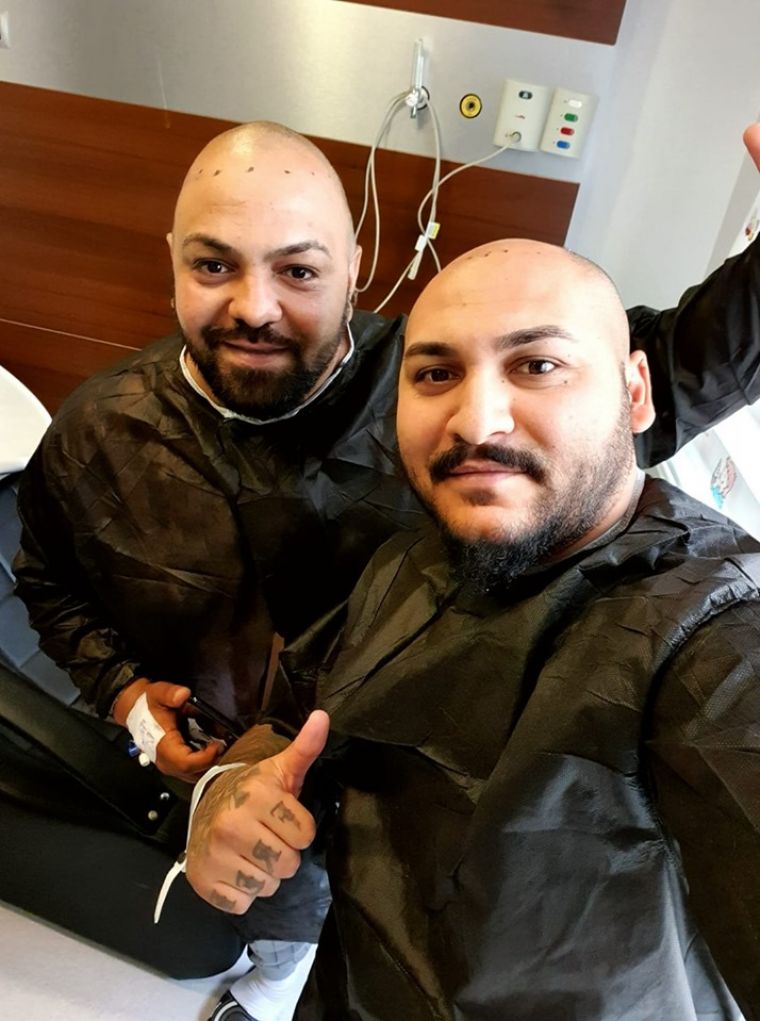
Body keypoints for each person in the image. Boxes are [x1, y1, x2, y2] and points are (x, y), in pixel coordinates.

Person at [12, 121, 760, 1018]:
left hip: (444, 841)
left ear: (355, 270)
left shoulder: (443, 396)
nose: (254, 307)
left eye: (298, 270)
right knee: (278, 932)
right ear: (171, 261)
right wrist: (132, 700)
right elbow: (46, 581)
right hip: (253, 795)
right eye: (213, 265)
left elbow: (690, 355)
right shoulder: (97, 433)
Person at [186, 238, 760, 1021]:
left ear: (634, 395)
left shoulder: (711, 634)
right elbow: (292, 721)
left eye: (537, 365)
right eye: (436, 374)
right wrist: (225, 793)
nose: (476, 420)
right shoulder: (412, 558)